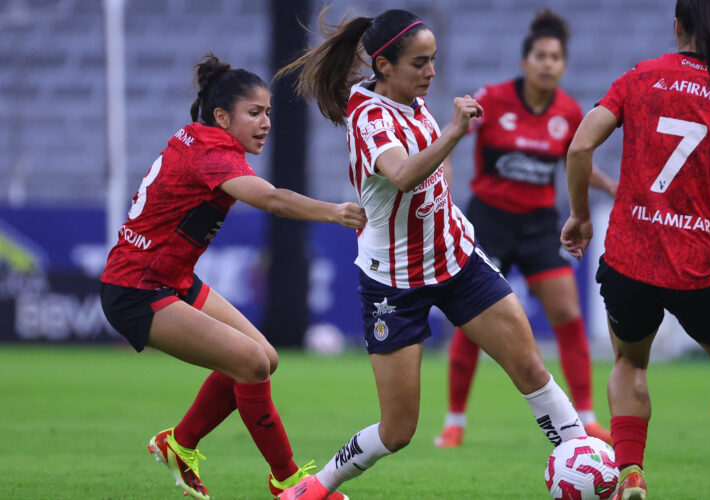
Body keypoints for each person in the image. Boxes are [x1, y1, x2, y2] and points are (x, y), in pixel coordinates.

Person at [275, 9, 588, 500]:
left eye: (433, 60)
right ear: (383, 66)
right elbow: (402, 174)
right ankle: (316, 487)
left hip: (456, 259)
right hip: (394, 281)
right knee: (397, 430)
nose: (431, 72)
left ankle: (589, 468)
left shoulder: (409, 98)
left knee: (531, 370)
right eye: (420, 63)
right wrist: (454, 131)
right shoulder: (369, 117)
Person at [560, 1, 710, 499]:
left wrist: (581, 215)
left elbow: (580, 146)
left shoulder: (639, 77)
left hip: (629, 259)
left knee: (630, 362)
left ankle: (630, 475)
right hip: (698, 266)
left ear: (676, 26)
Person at [99, 53, 365, 500]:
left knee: (264, 358)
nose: (266, 123)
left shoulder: (199, 138)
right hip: (137, 288)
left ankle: (179, 443)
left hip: (172, 277)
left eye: (268, 113)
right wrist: (335, 212)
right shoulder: (212, 153)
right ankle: (289, 482)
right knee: (251, 363)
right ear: (222, 117)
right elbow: (273, 200)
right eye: (254, 113)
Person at [434, 9, 617, 449]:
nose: (548, 64)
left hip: (538, 225)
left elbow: (577, 161)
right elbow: (451, 132)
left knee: (568, 313)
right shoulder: (494, 99)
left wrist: (612, 186)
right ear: (525, 61)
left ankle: (587, 417)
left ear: (564, 65)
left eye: (556, 57)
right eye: (541, 56)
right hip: (489, 222)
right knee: (472, 324)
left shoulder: (568, 111)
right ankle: (455, 421)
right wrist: (444, 166)